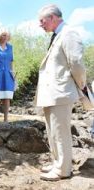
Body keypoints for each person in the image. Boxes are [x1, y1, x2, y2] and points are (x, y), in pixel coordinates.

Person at [35, 4, 86, 181]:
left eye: (42, 21)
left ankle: (64, 170)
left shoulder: (69, 33)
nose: (40, 24)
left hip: (61, 92)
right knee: (53, 132)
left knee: (61, 131)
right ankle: (58, 162)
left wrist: (82, 85)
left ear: (53, 18)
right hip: (52, 93)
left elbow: (77, 63)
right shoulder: (57, 35)